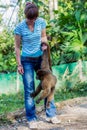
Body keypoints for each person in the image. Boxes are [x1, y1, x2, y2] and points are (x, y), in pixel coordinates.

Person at [14, 2, 61, 129]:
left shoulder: (41, 22)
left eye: (34, 18)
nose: (32, 21)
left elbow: (43, 36)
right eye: (30, 19)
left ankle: (51, 114)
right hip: (26, 61)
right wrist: (19, 64)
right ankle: (31, 118)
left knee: (49, 85)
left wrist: (45, 44)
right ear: (25, 16)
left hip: (41, 59)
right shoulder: (19, 27)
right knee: (30, 89)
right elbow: (17, 47)